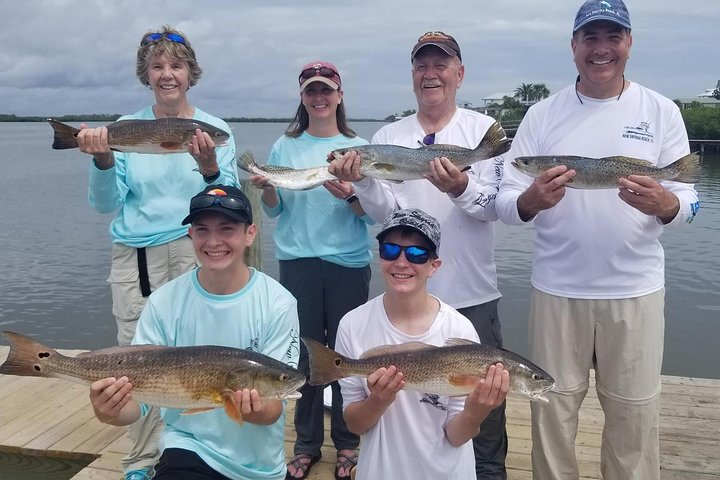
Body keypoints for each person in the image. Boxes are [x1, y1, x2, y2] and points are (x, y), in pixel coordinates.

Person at [495, 1, 700, 478]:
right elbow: (506, 203)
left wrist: (666, 206)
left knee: (634, 415)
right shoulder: (542, 115)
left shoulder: (661, 110)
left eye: (613, 36)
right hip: (556, 290)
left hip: (636, 291)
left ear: (629, 43)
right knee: (551, 413)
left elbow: (690, 202)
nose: (601, 49)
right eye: (590, 38)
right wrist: (532, 200)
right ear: (573, 47)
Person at [329, 31, 509, 478]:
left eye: (441, 64)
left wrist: (461, 187)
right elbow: (387, 215)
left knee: (484, 409)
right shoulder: (391, 135)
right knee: (404, 401)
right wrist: (365, 181)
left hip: (470, 295)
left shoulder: (482, 134)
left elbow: (499, 208)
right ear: (413, 75)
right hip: (405, 299)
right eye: (422, 65)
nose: (431, 74)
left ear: (459, 73)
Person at [76, 26, 238, 480]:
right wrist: (103, 158)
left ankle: (199, 451)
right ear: (146, 75)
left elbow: (232, 204)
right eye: (158, 66)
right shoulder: (126, 129)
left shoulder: (217, 131)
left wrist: (210, 167)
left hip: (199, 253)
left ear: (191, 73)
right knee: (136, 360)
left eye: (177, 65)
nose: (168, 74)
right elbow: (106, 204)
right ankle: (143, 461)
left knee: (198, 360)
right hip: (138, 258)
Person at [89, 184, 300, 480]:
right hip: (186, 450)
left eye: (227, 229)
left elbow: (274, 409)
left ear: (250, 233)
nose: (214, 241)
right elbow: (138, 405)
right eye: (202, 230)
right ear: (191, 235)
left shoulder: (278, 303)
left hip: (260, 467)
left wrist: (253, 410)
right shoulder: (164, 302)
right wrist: (108, 411)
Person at [248, 61, 372, 480]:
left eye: (326, 91)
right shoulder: (285, 146)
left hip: (348, 264)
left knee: (342, 356)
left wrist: (353, 195)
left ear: (340, 95)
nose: (319, 98)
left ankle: (348, 443)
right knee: (301, 355)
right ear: (302, 98)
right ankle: (306, 445)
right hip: (298, 261)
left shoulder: (359, 147)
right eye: (310, 92)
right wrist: (265, 188)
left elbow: (372, 215)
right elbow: (276, 209)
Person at [336, 208, 509, 479]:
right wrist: (378, 400)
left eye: (417, 254)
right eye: (391, 250)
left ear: (434, 266)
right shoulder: (352, 324)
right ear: (380, 256)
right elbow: (355, 425)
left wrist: (476, 413)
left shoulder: (458, 328)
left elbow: (456, 435)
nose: (402, 262)